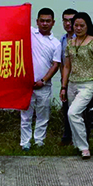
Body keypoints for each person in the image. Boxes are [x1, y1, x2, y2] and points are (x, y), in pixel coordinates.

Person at [60, 13, 93, 159]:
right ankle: (76, 144)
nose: (78, 28)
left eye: (82, 25)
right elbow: (67, 66)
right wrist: (63, 87)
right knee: (75, 115)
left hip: (87, 84)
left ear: (87, 26)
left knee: (73, 113)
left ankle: (84, 147)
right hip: (72, 84)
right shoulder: (70, 43)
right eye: (76, 25)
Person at [20, 8, 62, 151]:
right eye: (42, 21)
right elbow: (18, 23)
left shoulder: (56, 43)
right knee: (25, 115)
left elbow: (55, 65)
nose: (44, 24)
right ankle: (25, 143)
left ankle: (39, 142)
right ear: (37, 21)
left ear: (53, 22)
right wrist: (23, 9)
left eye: (48, 21)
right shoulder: (30, 33)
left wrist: (43, 81)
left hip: (44, 85)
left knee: (42, 116)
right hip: (27, 84)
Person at [59, 7, 78, 145]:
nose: (68, 23)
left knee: (79, 112)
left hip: (81, 82)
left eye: (71, 20)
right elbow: (62, 63)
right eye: (65, 20)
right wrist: (63, 83)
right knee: (66, 109)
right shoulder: (62, 39)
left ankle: (79, 139)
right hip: (66, 81)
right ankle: (67, 137)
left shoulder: (84, 39)